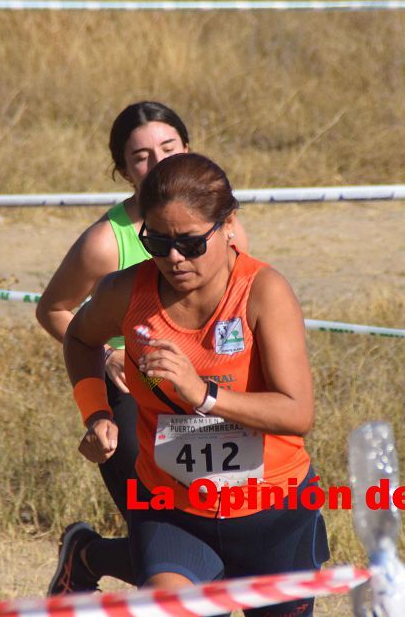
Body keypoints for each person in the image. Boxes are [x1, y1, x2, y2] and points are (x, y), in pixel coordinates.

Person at [63, 153, 330, 616]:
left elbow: (297, 412)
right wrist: (97, 413)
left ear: (228, 226)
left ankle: (88, 555)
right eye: (157, 241)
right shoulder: (124, 291)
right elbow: (79, 338)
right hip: (172, 510)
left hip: (274, 511)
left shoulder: (264, 291)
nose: (172, 258)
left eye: (189, 243)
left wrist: (205, 395)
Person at [37, 103, 247, 594]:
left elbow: (244, 301)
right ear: (123, 170)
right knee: (166, 534)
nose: (156, 165)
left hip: (207, 390)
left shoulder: (221, 225)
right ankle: (91, 556)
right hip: (134, 394)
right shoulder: (106, 243)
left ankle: (87, 555)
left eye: (168, 150)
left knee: (221, 529)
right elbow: (53, 310)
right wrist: (111, 355)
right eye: (140, 157)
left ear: (188, 150)